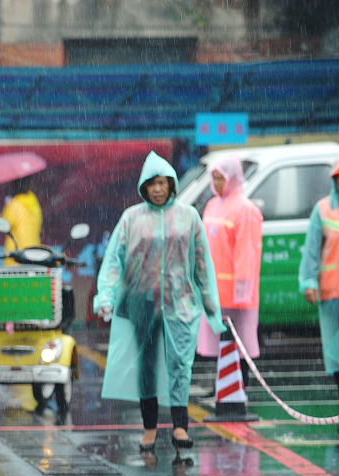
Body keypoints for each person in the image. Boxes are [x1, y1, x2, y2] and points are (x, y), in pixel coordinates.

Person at [93, 152, 224, 452]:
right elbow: (114, 261)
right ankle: (150, 428)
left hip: (181, 303)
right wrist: (106, 296)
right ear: (144, 187)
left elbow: (202, 262)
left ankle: (180, 426)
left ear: (172, 184)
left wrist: (210, 303)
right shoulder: (132, 218)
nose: (157, 189)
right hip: (142, 303)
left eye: (162, 182)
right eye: (152, 184)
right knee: (147, 365)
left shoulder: (189, 216)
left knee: (180, 363)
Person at [197, 155, 263, 385]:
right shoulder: (212, 205)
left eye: (220, 178)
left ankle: (239, 389)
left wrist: (241, 293)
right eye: (213, 178)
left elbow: (247, 254)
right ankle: (223, 390)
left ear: (233, 178)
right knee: (220, 345)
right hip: (215, 292)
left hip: (236, 295)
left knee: (240, 344)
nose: (216, 184)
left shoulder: (245, 210)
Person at [299, 158, 339, 400]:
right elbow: (312, 251)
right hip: (331, 292)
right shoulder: (323, 209)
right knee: (335, 353)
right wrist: (309, 282)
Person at [0, 175, 43, 254]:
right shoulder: (35, 203)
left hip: (16, 254)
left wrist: (7, 205)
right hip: (33, 251)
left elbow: (3, 224)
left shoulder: (14, 204)